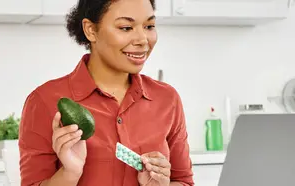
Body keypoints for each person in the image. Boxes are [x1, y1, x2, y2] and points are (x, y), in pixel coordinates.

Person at [18, 0, 194, 185]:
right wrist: (69, 173)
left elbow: (183, 181)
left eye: (149, 26)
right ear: (90, 30)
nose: (143, 39)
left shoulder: (167, 99)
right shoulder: (45, 101)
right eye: (126, 27)